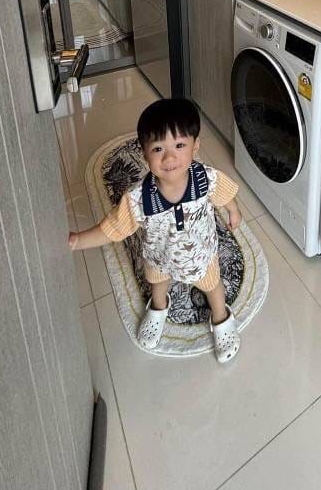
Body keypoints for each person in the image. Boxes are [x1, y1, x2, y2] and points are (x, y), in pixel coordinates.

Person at [68, 98, 243, 362]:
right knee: (157, 283)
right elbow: (113, 228)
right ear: (144, 154)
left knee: (212, 286)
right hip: (159, 257)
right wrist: (78, 241)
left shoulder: (205, 178)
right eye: (158, 148)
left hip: (201, 256)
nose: (169, 157)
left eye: (179, 145)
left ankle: (221, 317)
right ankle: (159, 307)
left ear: (195, 146)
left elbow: (225, 195)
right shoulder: (139, 198)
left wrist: (233, 211)